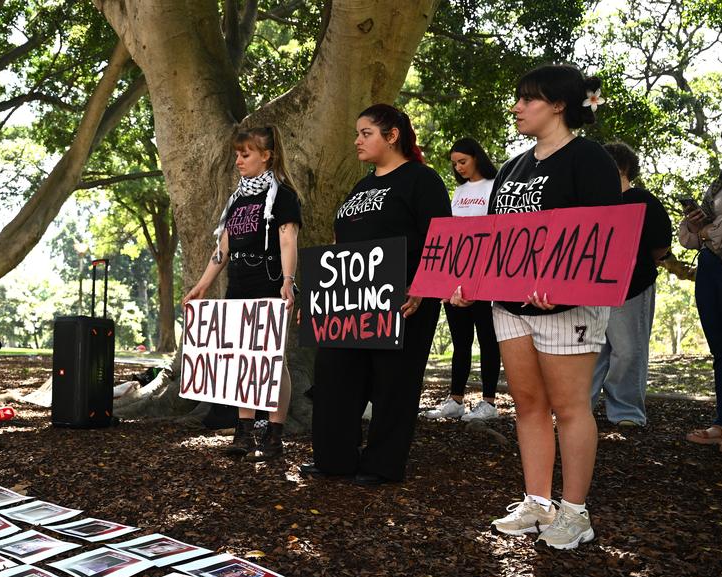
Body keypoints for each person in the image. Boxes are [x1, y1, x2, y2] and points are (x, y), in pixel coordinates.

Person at [473, 64, 622, 548]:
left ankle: (575, 512)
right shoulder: (513, 166)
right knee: (529, 404)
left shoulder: (590, 159)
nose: (517, 107)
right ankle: (537, 502)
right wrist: (468, 281)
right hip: (509, 306)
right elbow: (495, 240)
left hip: (568, 309)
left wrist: (567, 285)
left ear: (558, 105)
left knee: (571, 406)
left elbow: (604, 238)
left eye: (527, 99)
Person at [304, 104, 452, 486]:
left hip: (404, 302)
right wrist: (320, 297)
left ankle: (381, 465)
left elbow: (440, 239)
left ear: (392, 135)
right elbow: (341, 245)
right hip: (350, 303)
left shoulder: (423, 180)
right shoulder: (361, 186)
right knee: (335, 376)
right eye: (357, 133)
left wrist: (421, 287)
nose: (357, 140)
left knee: (393, 385)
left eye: (365, 133)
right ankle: (334, 459)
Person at [182, 126, 302, 460]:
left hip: (270, 282)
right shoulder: (237, 199)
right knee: (243, 360)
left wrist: (288, 281)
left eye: (245, 154)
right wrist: (203, 285)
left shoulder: (283, 196)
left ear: (267, 155)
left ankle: (275, 436)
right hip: (238, 285)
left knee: (274, 361)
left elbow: (288, 239)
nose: (238, 160)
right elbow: (223, 246)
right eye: (237, 154)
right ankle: (244, 433)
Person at [591, 141, 672, 428]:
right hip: (593, 289)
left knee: (627, 350)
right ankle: (581, 408)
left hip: (632, 287)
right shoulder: (593, 202)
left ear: (621, 167)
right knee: (591, 350)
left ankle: (626, 412)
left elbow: (660, 246)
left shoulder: (644, 200)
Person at [424, 137, 502, 422]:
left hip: (486, 276)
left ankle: (489, 402)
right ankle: (455, 399)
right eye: (454, 164)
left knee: (488, 339)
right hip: (456, 277)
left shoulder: (496, 186)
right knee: (460, 340)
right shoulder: (457, 192)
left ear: (477, 157)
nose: (458, 168)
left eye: (463, 162)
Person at [679, 118, 722, 455]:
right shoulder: (720, 182)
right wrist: (696, 223)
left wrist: (710, 232)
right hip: (710, 268)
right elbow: (693, 235)